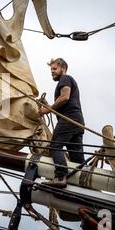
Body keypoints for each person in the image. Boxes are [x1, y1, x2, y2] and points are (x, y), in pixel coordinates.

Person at [38, 58, 85, 188]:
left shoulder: (65, 78)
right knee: (77, 158)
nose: (52, 72)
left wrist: (47, 109)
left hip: (70, 119)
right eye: (51, 69)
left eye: (54, 69)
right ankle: (84, 182)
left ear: (62, 68)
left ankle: (60, 177)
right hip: (77, 121)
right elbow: (61, 107)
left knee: (54, 146)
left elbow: (65, 97)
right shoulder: (68, 81)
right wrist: (49, 106)